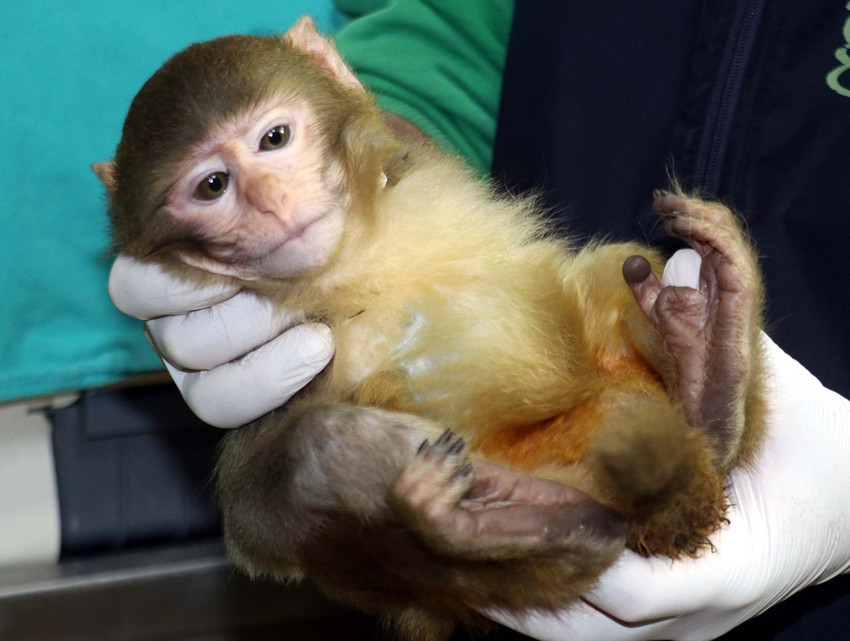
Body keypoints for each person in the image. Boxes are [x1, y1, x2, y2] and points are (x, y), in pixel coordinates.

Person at [108, 1, 850, 639]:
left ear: (321, 65)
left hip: (641, 415)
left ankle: (699, 426)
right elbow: (446, 37)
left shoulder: (321, 107)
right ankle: (562, 515)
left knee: (627, 287)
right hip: (483, 491)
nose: (270, 199)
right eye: (211, 186)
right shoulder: (268, 322)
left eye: (275, 139)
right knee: (325, 452)